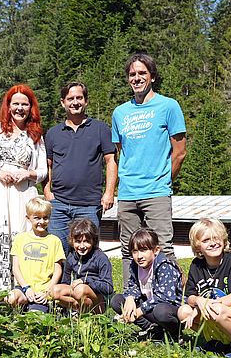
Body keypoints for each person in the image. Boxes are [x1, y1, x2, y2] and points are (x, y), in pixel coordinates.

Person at [112, 53, 187, 287]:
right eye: (132, 74)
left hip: (156, 191)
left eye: (142, 73)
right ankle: (131, 300)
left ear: (152, 76)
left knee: (162, 248)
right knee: (128, 250)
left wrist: (164, 180)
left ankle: (170, 302)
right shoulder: (120, 113)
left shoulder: (168, 106)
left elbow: (180, 152)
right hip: (127, 193)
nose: (137, 78)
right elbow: (121, 150)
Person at [0, 84, 47, 291]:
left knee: (20, 238)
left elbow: (42, 170)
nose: (20, 108)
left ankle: (20, 291)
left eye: (25, 104)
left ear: (31, 107)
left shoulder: (36, 135)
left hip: (22, 194)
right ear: (8, 106)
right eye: (16, 104)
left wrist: (27, 173)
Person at [43, 82, 117, 255]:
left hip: (89, 205)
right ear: (63, 102)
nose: (75, 102)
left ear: (86, 101)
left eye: (79, 98)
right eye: (70, 99)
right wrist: (48, 193)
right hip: (59, 204)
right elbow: (47, 165)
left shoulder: (100, 129)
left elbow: (111, 161)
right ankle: (60, 283)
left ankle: (85, 283)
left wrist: (109, 192)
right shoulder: (53, 133)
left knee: (87, 253)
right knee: (58, 253)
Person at [177, 218, 231, 358]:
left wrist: (202, 307)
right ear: (197, 246)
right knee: (184, 311)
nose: (213, 243)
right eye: (206, 240)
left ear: (223, 239)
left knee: (216, 309)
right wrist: (198, 300)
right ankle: (217, 342)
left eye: (216, 238)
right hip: (217, 316)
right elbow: (190, 297)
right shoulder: (196, 265)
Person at [110, 228, 183, 341]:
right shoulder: (135, 266)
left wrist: (140, 311)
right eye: (135, 251)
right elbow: (133, 285)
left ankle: (174, 333)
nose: (139, 256)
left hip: (169, 310)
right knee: (117, 301)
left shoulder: (164, 266)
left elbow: (165, 296)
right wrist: (130, 298)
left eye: (144, 250)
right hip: (150, 307)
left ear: (156, 250)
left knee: (161, 311)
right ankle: (152, 329)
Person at [6, 197, 65, 312]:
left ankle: (35, 309)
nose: (41, 222)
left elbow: (58, 270)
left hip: (43, 291)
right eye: (37, 218)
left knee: (35, 318)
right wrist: (26, 288)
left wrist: (48, 291)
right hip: (24, 288)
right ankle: (21, 310)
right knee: (11, 298)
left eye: (45, 218)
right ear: (28, 218)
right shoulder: (20, 239)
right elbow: (16, 268)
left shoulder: (54, 240)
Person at [52, 219, 113, 314]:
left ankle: (94, 314)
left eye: (86, 241)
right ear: (72, 241)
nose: (82, 246)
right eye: (78, 241)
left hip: (97, 296)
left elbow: (108, 287)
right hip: (78, 294)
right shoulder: (71, 257)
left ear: (94, 241)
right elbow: (65, 282)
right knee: (54, 291)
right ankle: (77, 309)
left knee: (80, 289)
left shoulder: (101, 258)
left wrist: (86, 280)